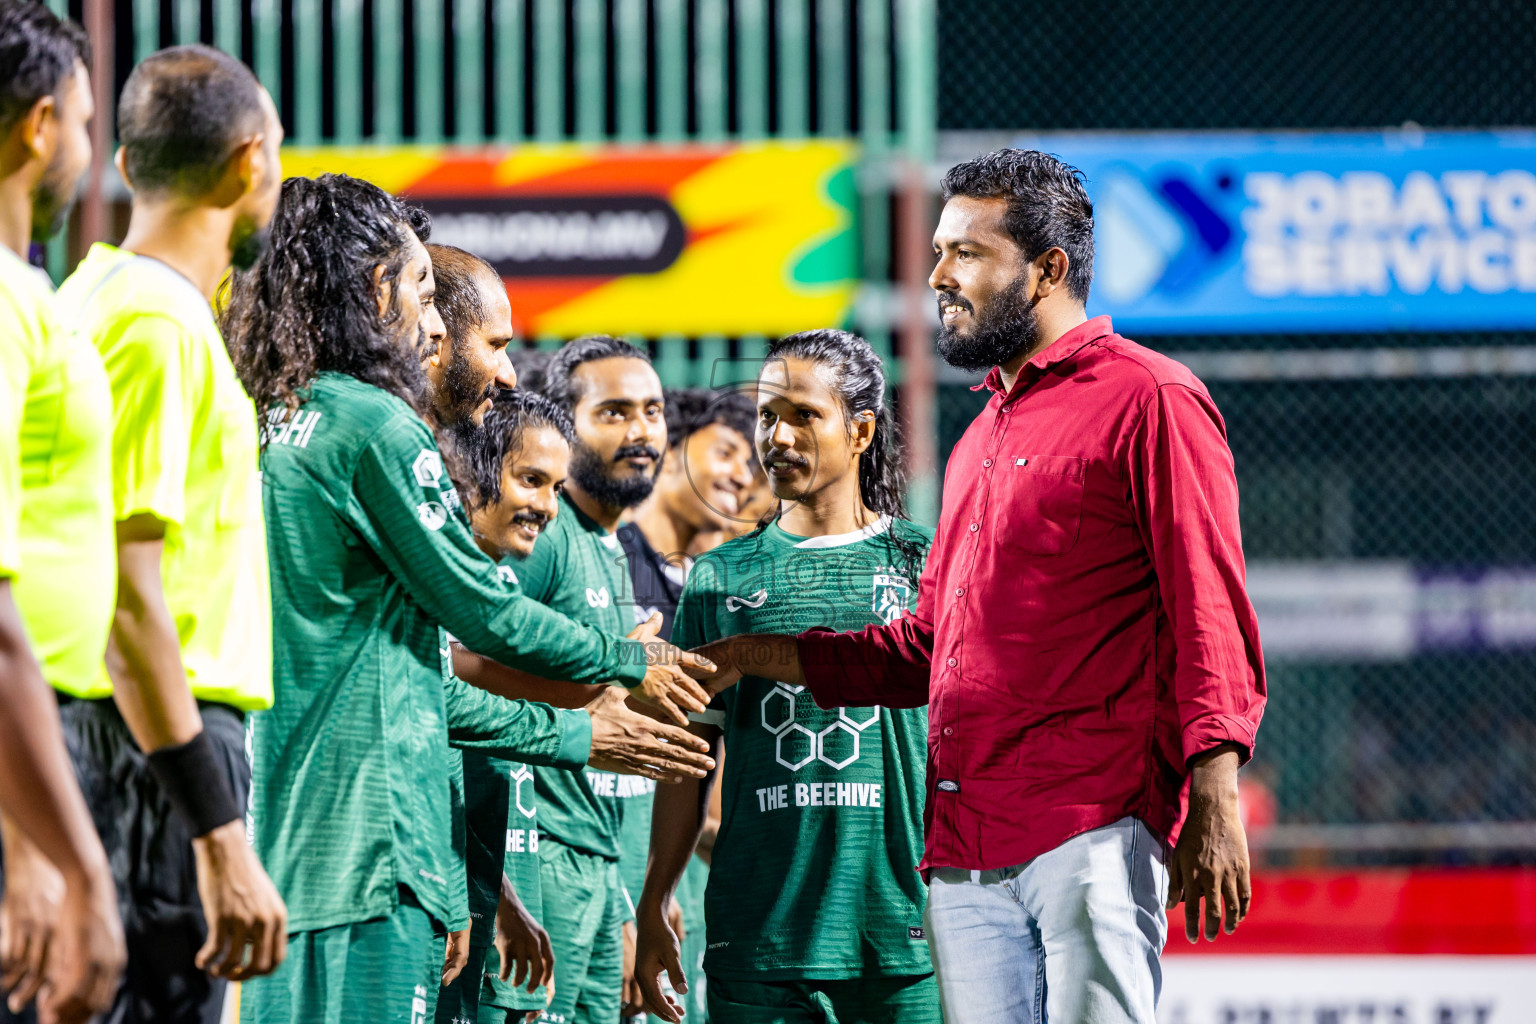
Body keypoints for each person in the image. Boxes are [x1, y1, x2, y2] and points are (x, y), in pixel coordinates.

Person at [690, 149, 1267, 1024]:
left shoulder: (1150, 399)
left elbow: (1209, 603)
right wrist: (747, 656)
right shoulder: (978, 439)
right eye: (936, 252)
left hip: (1093, 821)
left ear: (1047, 270)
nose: (938, 276)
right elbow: (927, 651)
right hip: (963, 846)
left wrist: (1215, 794)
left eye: (965, 252)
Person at [220, 175, 718, 1024]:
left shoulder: (274, 418)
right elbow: (482, 616)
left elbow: (412, 680)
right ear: (380, 292)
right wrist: (627, 658)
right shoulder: (376, 427)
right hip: (377, 846)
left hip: (297, 843)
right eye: (426, 297)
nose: (445, 331)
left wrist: (572, 735)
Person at [50, 46, 288, 1021]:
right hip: (159, 748)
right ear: (248, 162)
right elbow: (127, 593)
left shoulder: (96, 302)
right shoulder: (157, 328)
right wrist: (220, 832)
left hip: (129, 741)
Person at [634, 330, 940, 1024]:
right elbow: (688, 758)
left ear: (860, 431)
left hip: (897, 933)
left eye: (804, 415)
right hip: (761, 937)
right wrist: (655, 897)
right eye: (768, 415)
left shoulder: (926, 561)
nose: (778, 435)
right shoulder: (720, 575)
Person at [0, 5, 124, 1022]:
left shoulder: (26, 292)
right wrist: (51, 856)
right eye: (85, 126)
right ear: (41, 127)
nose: (91, 155)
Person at [498, 335, 671, 1024]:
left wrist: (630, 894)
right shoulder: (542, 535)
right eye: (615, 412)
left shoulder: (610, 543)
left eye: (653, 411)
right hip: (542, 860)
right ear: (565, 427)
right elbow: (468, 667)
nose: (641, 431)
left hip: (598, 866)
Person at [615, 386, 756, 1024]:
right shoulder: (609, 557)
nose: (739, 474)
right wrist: (623, 901)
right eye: (727, 451)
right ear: (671, 453)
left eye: (752, 467)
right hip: (602, 866)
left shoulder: (706, 589)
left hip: (673, 878)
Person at [450, 388, 577, 1024]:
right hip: (432, 905)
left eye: (556, 488)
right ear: (472, 472)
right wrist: (600, 686)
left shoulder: (496, 579)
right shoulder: (440, 585)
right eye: (531, 480)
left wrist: (502, 903)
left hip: (481, 898)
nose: (547, 508)